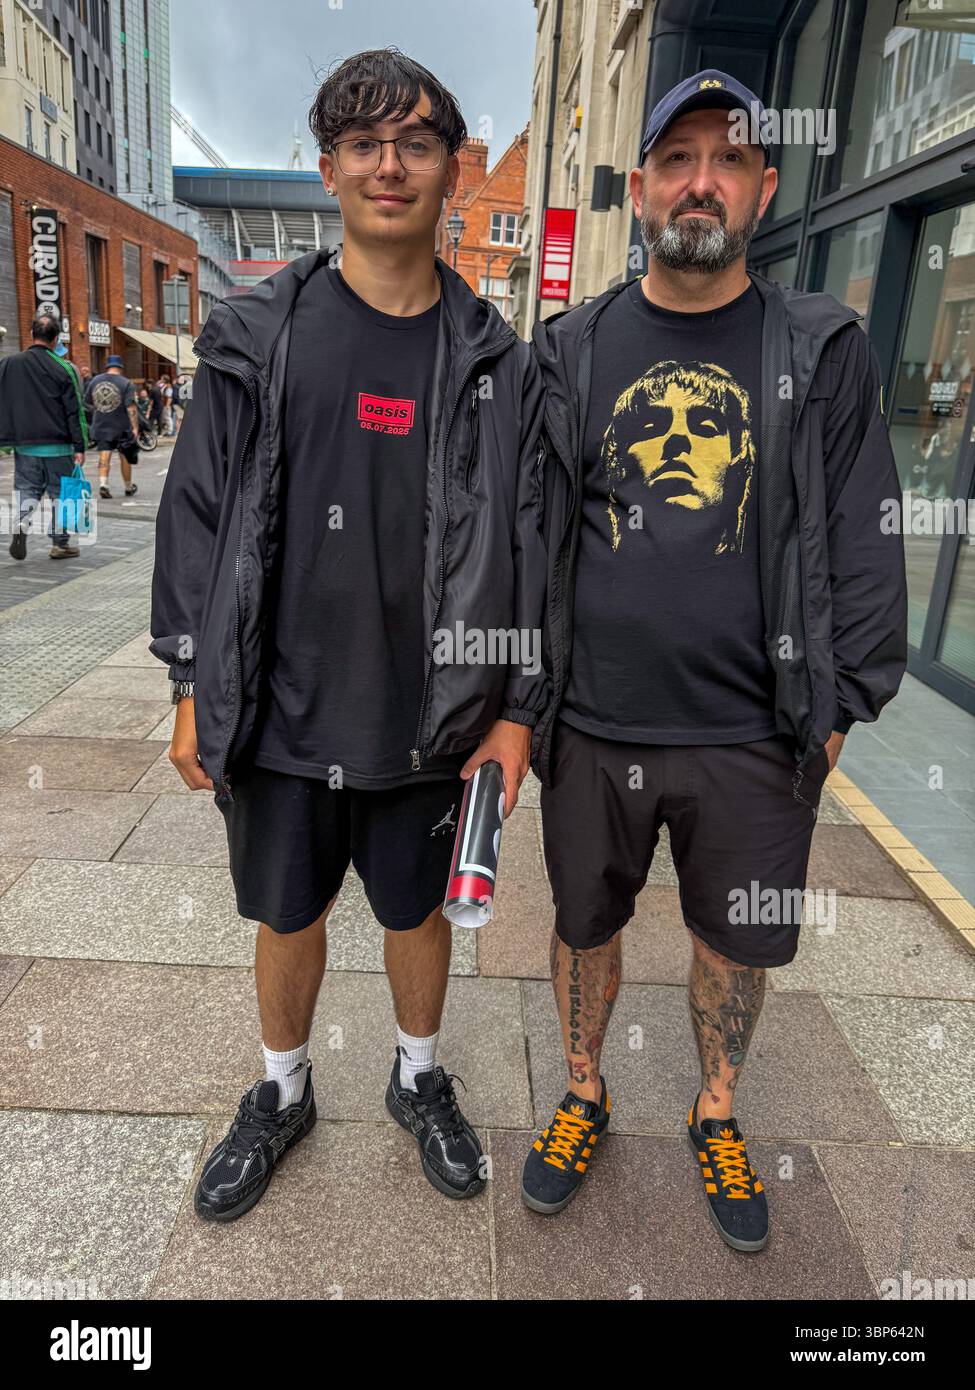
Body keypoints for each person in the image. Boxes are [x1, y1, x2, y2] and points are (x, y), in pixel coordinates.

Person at [149, 47, 547, 1221]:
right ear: (328, 168)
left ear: (452, 170)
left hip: (435, 711)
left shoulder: (496, 363)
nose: (391, 164)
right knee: (287, 911)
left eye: (417, 141)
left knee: (416, 910)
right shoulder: (257, 332)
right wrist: (186, 677)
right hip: (278, 703)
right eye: (365, 142)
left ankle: (418, 1075)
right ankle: (281, 1091)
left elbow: (530, 545)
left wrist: (519, 709)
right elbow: (199, 512)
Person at [524, 70, 907, 1250]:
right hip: (592, 724)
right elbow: (527, 532)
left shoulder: (820, 347)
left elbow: (862, 526)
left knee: (732, 942)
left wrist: (839, 707)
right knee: (586, 924)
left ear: (765, 187)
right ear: (640, 189)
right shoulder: (572, 351)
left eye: (729, 159)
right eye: (678, 157)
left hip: (757, 733)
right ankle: (584, 1086)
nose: (703, 179)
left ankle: (715, 1108)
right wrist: (518, 706)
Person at [0, 312, 89, 560]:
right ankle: (59, 544)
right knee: (61, 495)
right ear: (56, 339)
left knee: (26, 489)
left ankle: (21, 523)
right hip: (58, 446)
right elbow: (75, 411)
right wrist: (80, 446)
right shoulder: (65, 368)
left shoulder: (9, 364)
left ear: (31, 334)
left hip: (24, 444)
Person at [84, 355, 139, 499]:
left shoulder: (94, 381)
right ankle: (128, 487)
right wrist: (135, 427)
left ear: (107, 366)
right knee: (124, 456)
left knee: (104, 454)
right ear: (121, 367)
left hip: (101, 424)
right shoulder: (126, 383)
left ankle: (103, 485)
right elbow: (131, 407)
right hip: (122, 426)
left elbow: (88, 402)